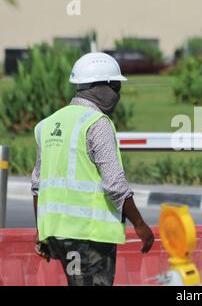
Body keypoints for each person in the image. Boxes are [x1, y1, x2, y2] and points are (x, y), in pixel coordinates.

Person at [31, 52, 154, 286]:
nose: (118, 94)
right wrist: (139, 224)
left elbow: (37, 186)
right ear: (101, 87)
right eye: (116, 86)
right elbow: (114, 184)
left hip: (58, 234)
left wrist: (42, 231)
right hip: (89, 237)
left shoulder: (46, 125)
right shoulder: (97, 123)